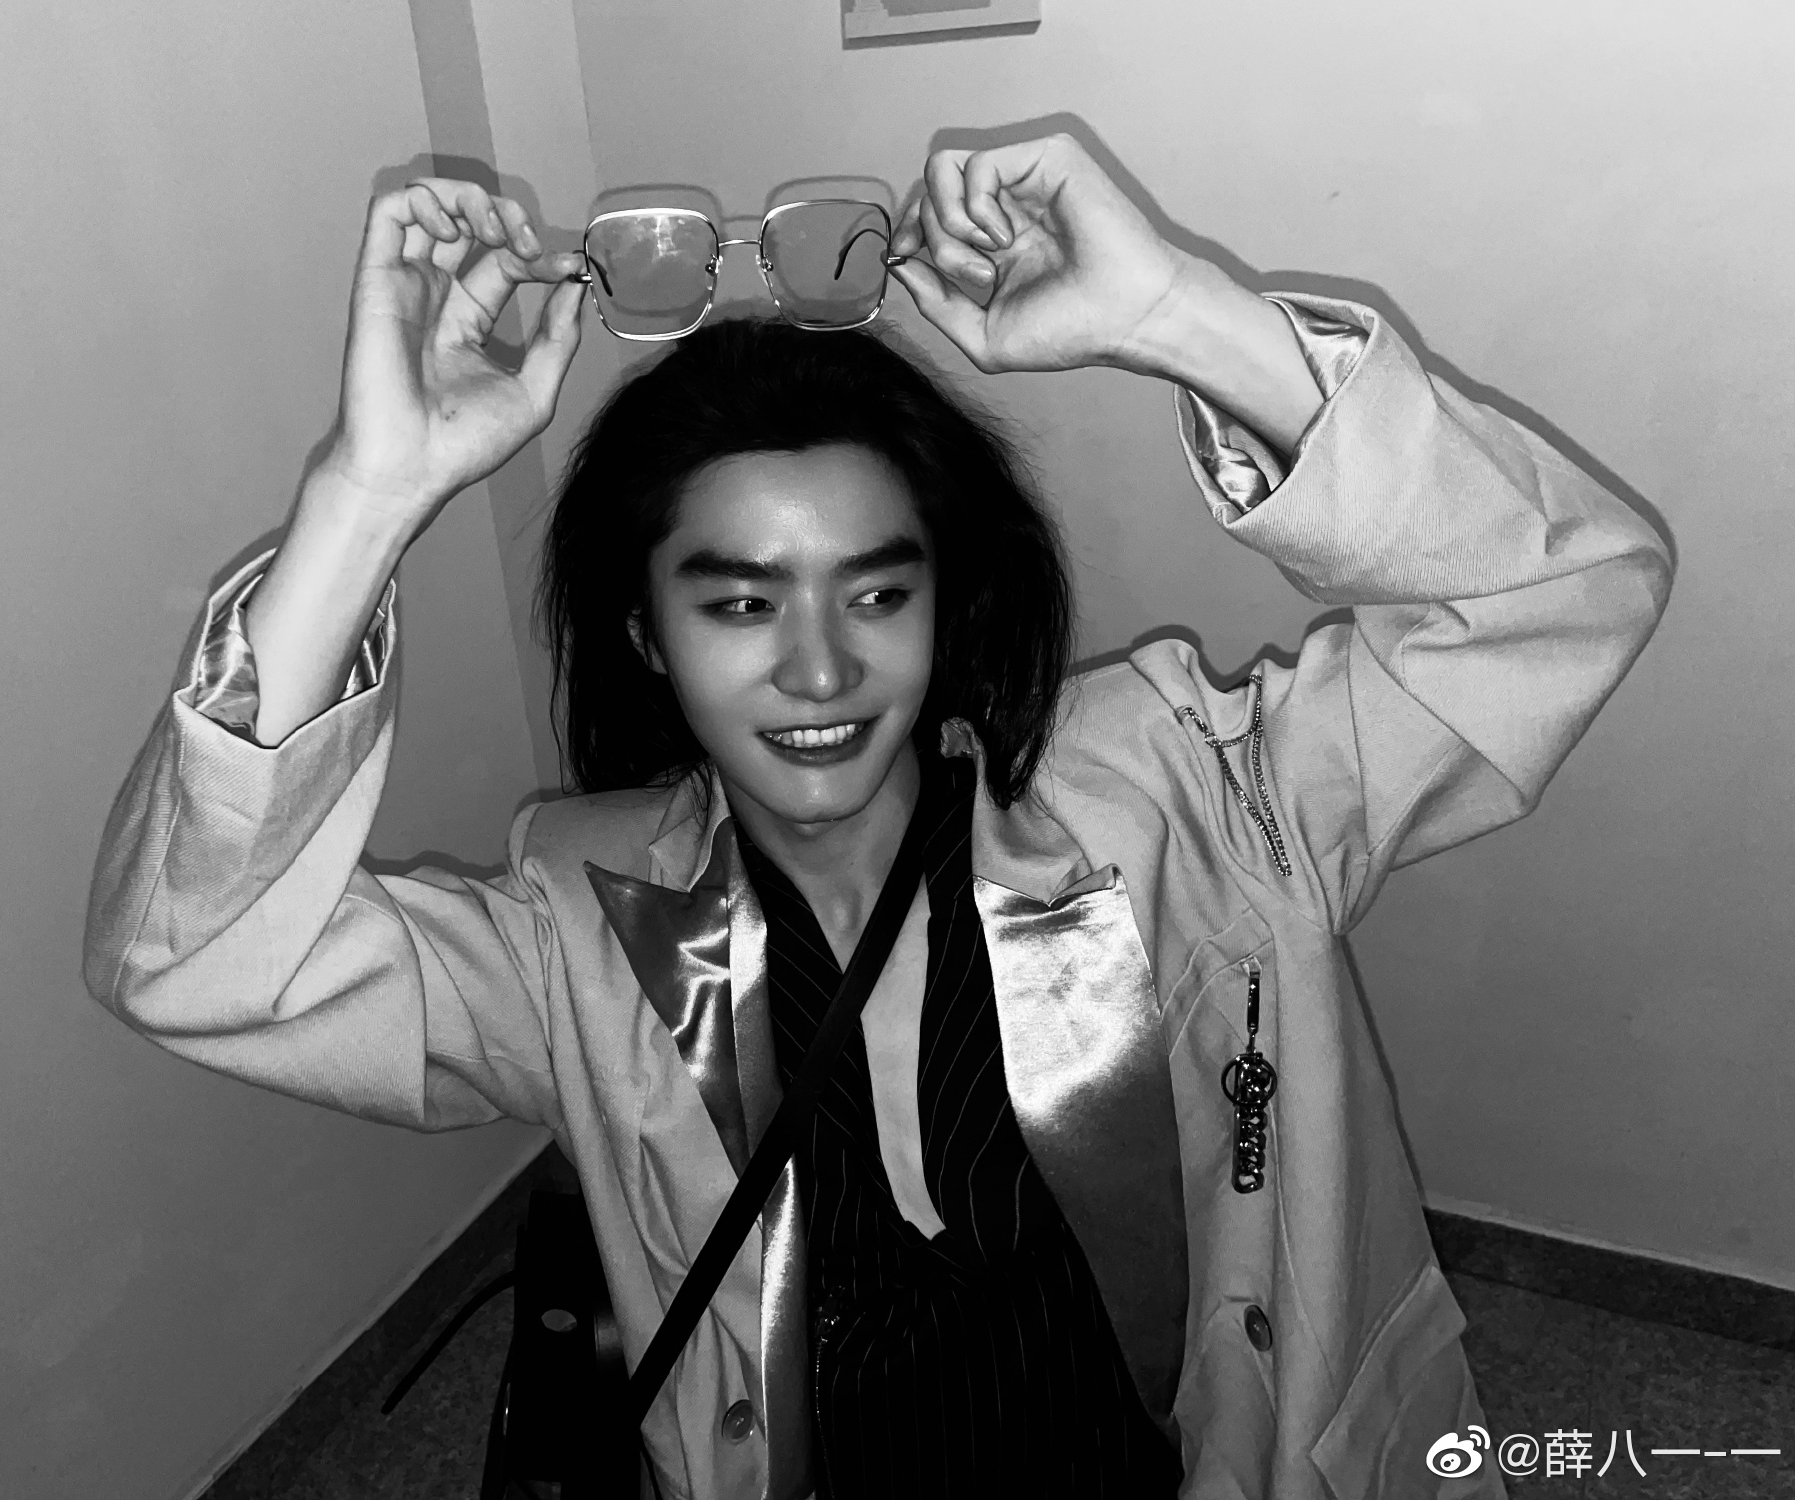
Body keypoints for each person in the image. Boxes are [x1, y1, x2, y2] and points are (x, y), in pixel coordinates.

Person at [85, 132, 1671, 1500]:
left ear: (942, 603)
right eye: (739, 604)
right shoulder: (583, 938)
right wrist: (368, 493)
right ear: (646, 637)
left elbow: (1562, 595)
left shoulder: (1190, 803)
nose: (822, 668)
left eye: (876, 592)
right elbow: (197, 960)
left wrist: (1175, 315)